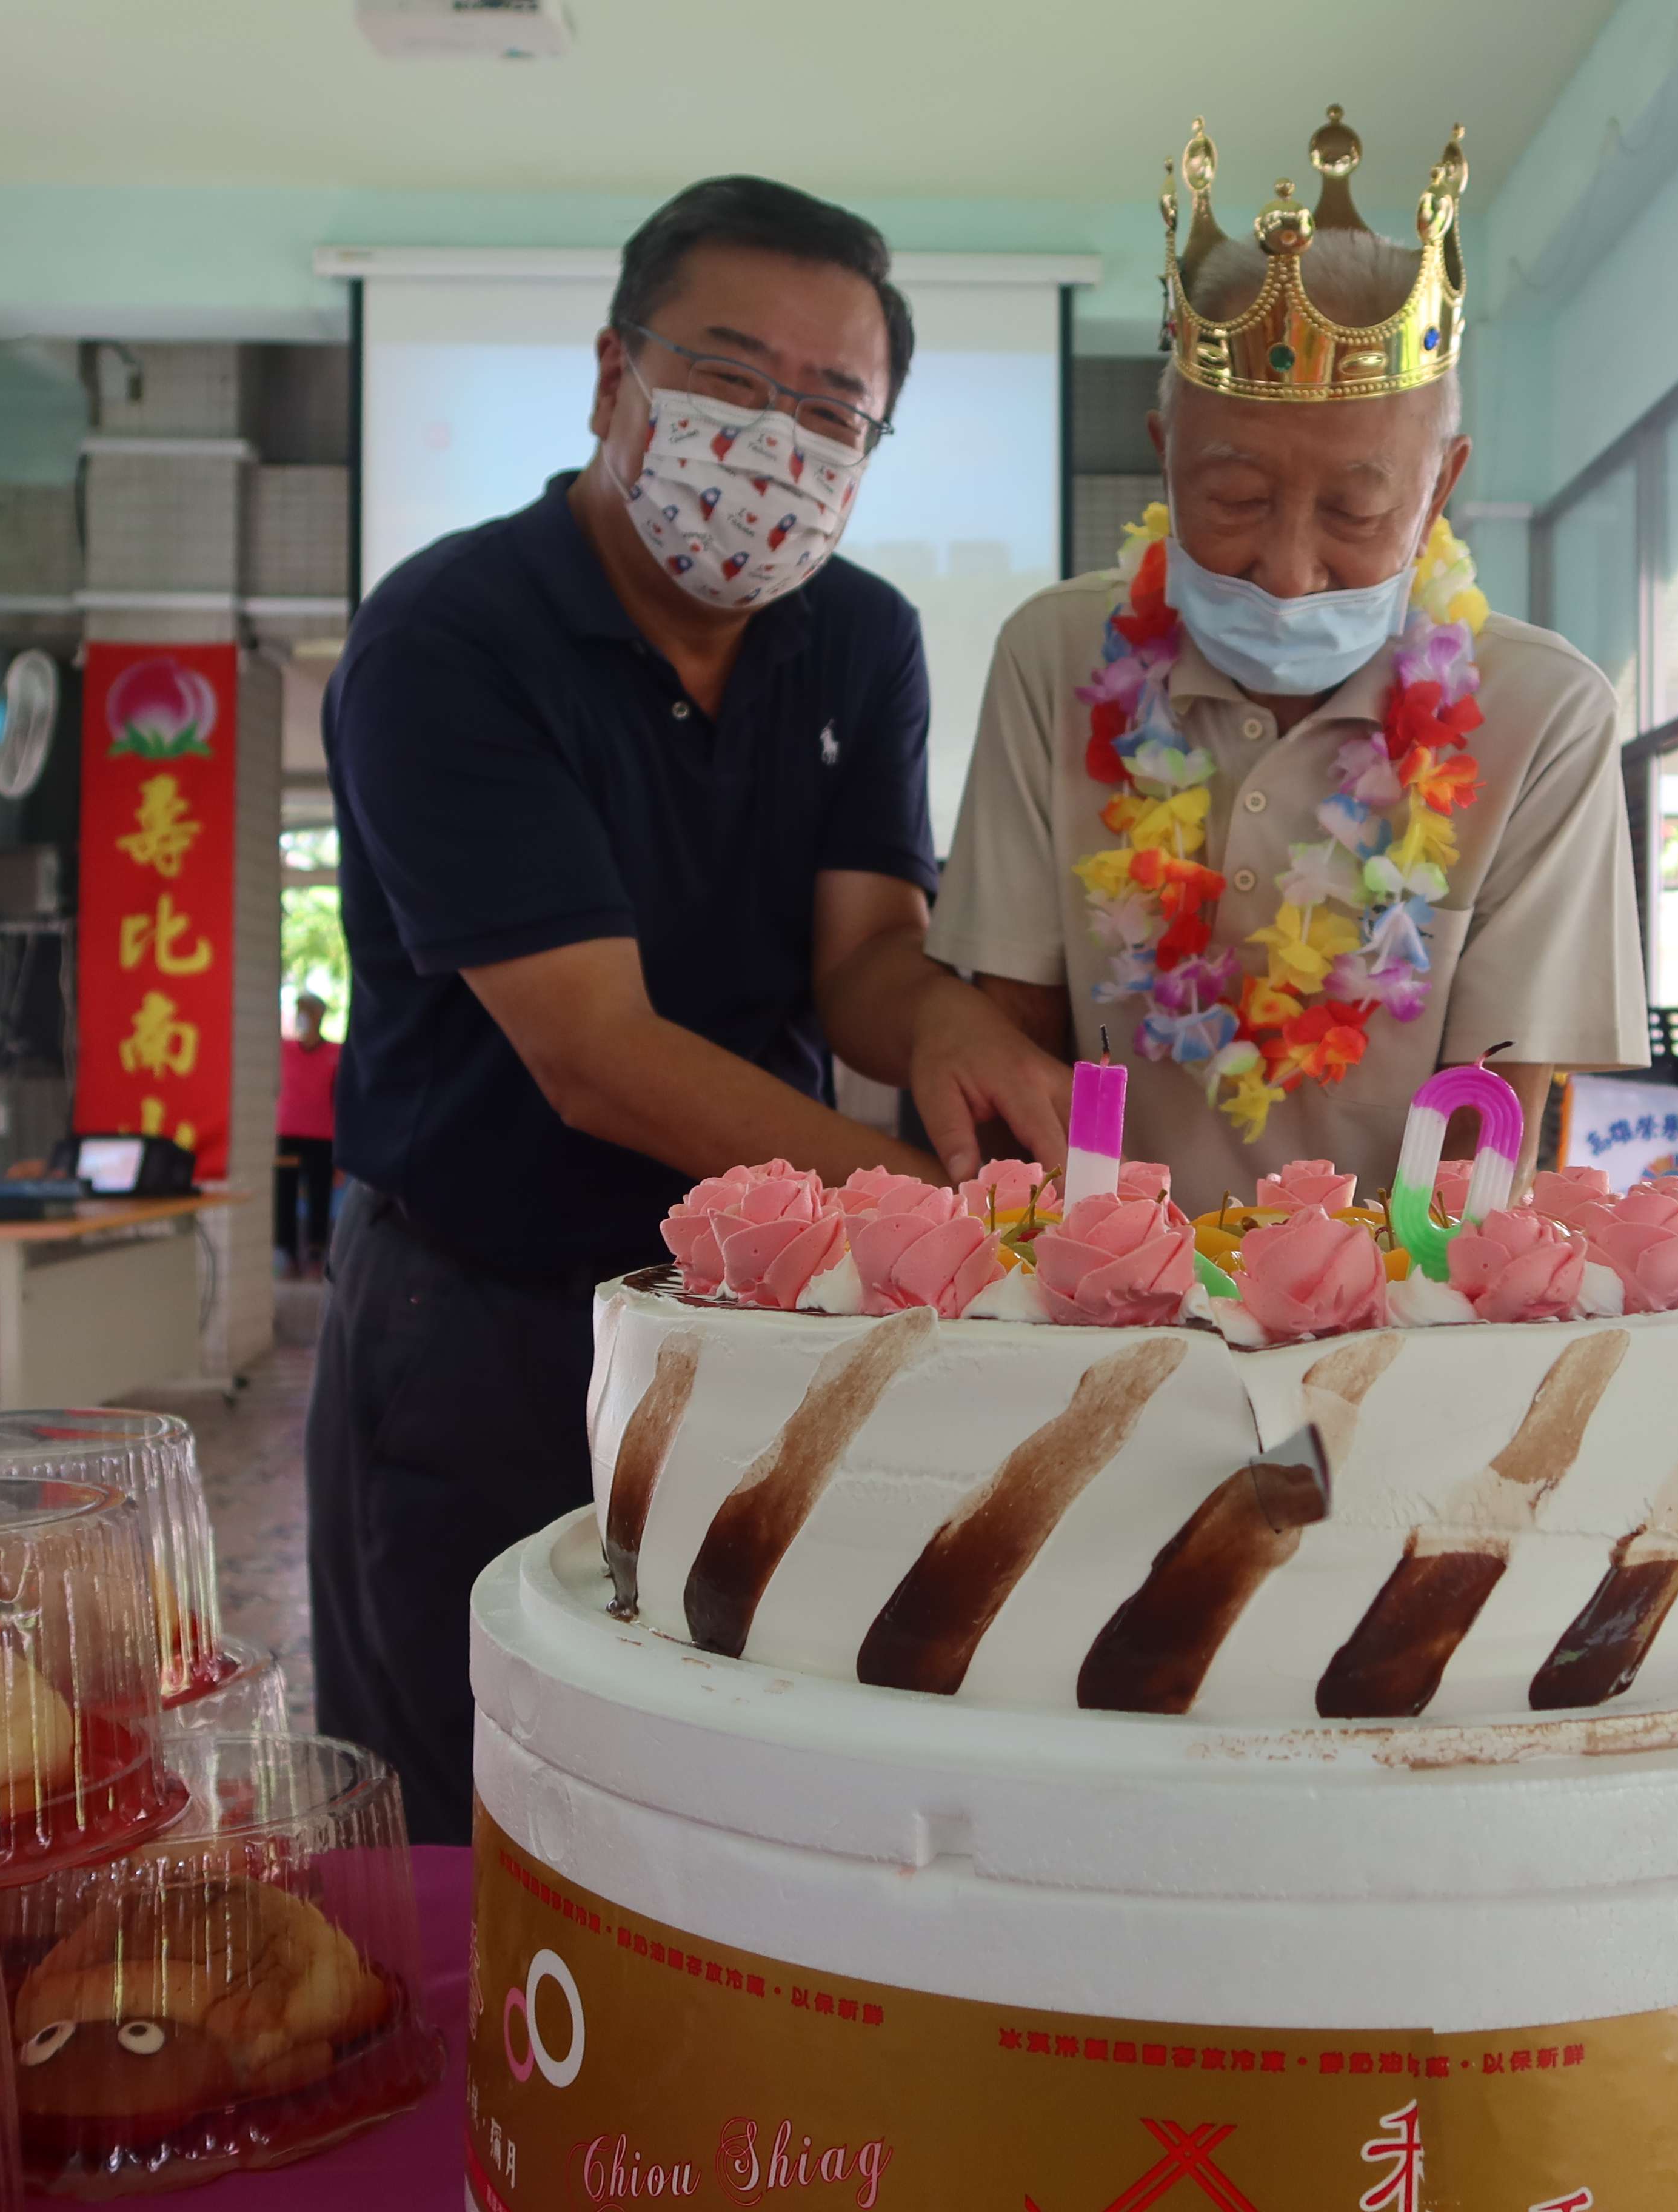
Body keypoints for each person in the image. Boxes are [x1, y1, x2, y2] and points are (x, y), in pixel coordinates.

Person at [313, 174, 1060, 1843]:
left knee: (735, 1773)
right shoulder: (453, 635)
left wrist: (942, 1027)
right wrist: (937, 1217)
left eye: (828, 408)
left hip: (752, 1320)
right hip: (482, 1317)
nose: (771, 435)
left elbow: (860, 958)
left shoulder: (858, 639)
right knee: (468, 1788)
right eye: (727, 377)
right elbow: (597, 1055)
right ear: (612, 377)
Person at [919, 109, 1649, 1202]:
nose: (1286, 568)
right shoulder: (1056, 655)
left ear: (1439, 488)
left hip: (1395, 1328)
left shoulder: (1544, 713)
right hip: (1099, 1307)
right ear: (1165, 458)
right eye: (1234, 498)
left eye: (1356, 511)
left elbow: (1489, 1132)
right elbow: (1019, 1050)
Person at [275, 993, 341, 1279]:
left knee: (319, 1196)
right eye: (300, 1010)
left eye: (309, 1011)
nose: (304, 1016)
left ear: (320, 1015)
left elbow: (343, 1100)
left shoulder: (336, 1053)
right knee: (284, 1195)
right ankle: (287, 1255)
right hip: (287, 1134)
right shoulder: (283, 1050)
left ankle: (315, 1255)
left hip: (323, 1136)